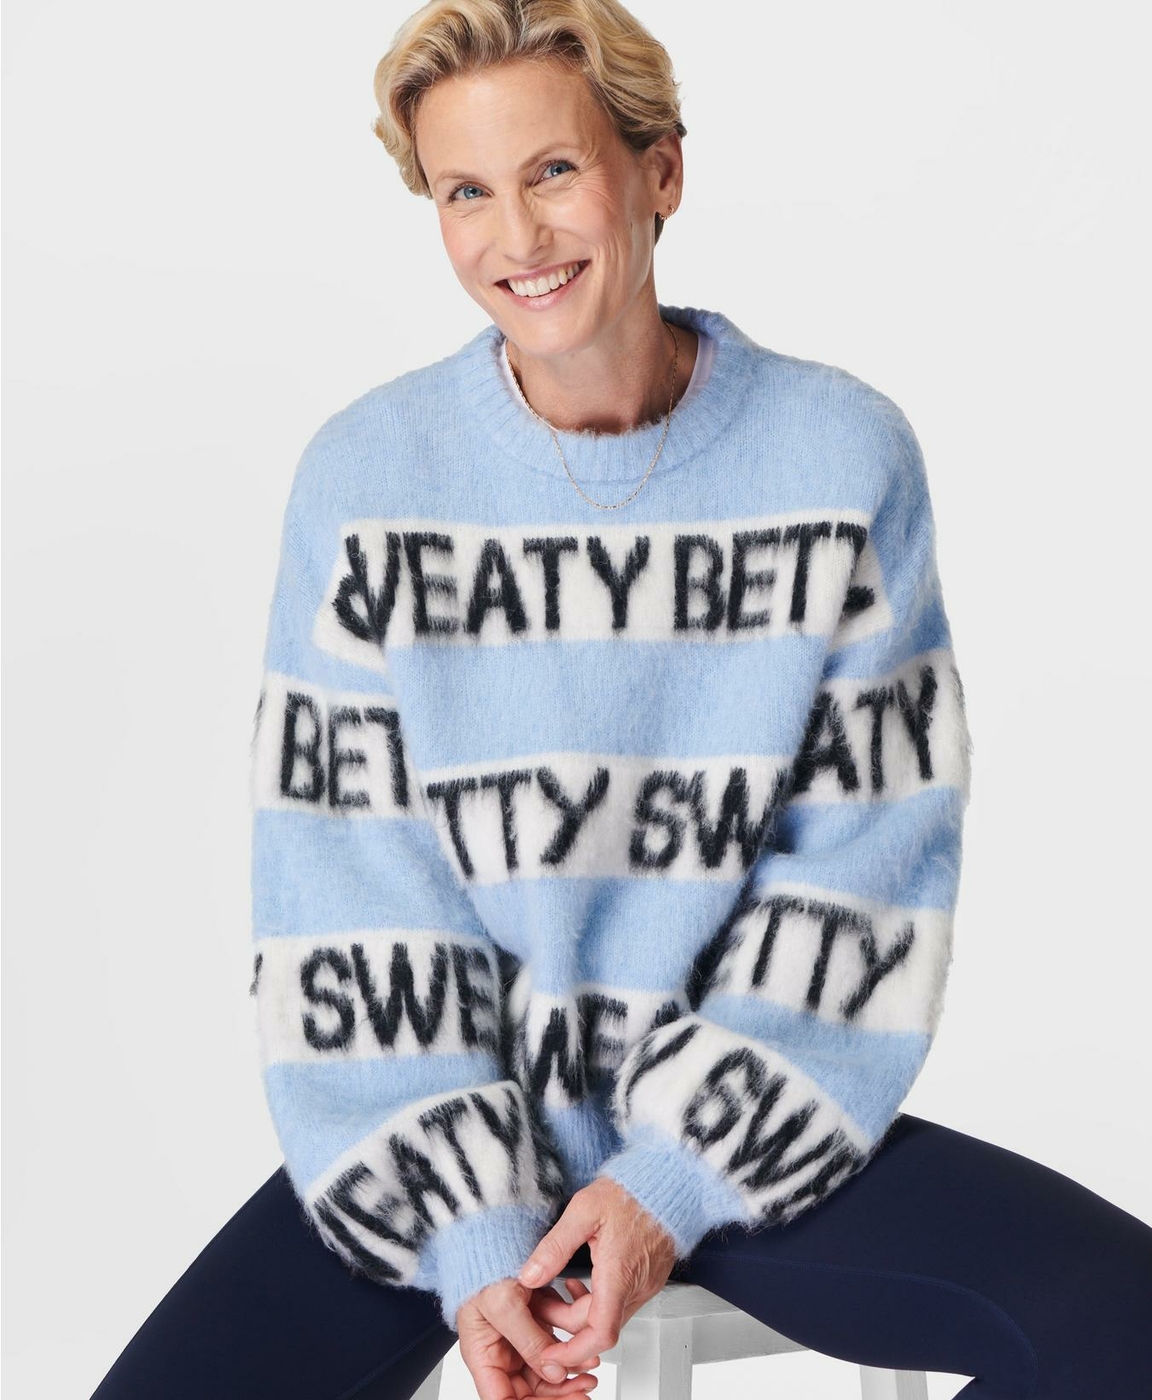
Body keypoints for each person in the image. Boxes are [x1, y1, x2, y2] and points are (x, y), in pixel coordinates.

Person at [89, 2, 1152, 1399]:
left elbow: (864, 877)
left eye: (553, 171)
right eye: (465, 192)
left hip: (743, 1125)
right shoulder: (365, 481)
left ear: (661, 172)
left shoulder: (839, 455)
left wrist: (667, 1184)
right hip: (439, 1137)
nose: (517, 236)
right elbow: (351, 903)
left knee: (1127, 1319)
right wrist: (476, 1237)